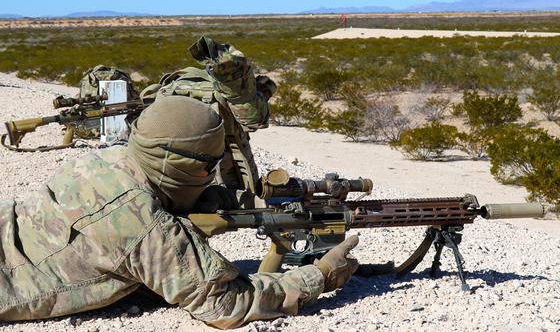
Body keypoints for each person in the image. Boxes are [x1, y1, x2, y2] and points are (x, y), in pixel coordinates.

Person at [0, 96, 359, 329]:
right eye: (211, 167)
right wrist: (320, 276)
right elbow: (228, 305)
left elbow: (175, 197)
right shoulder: (142, 223)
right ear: (192, 168)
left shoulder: (109, 159)